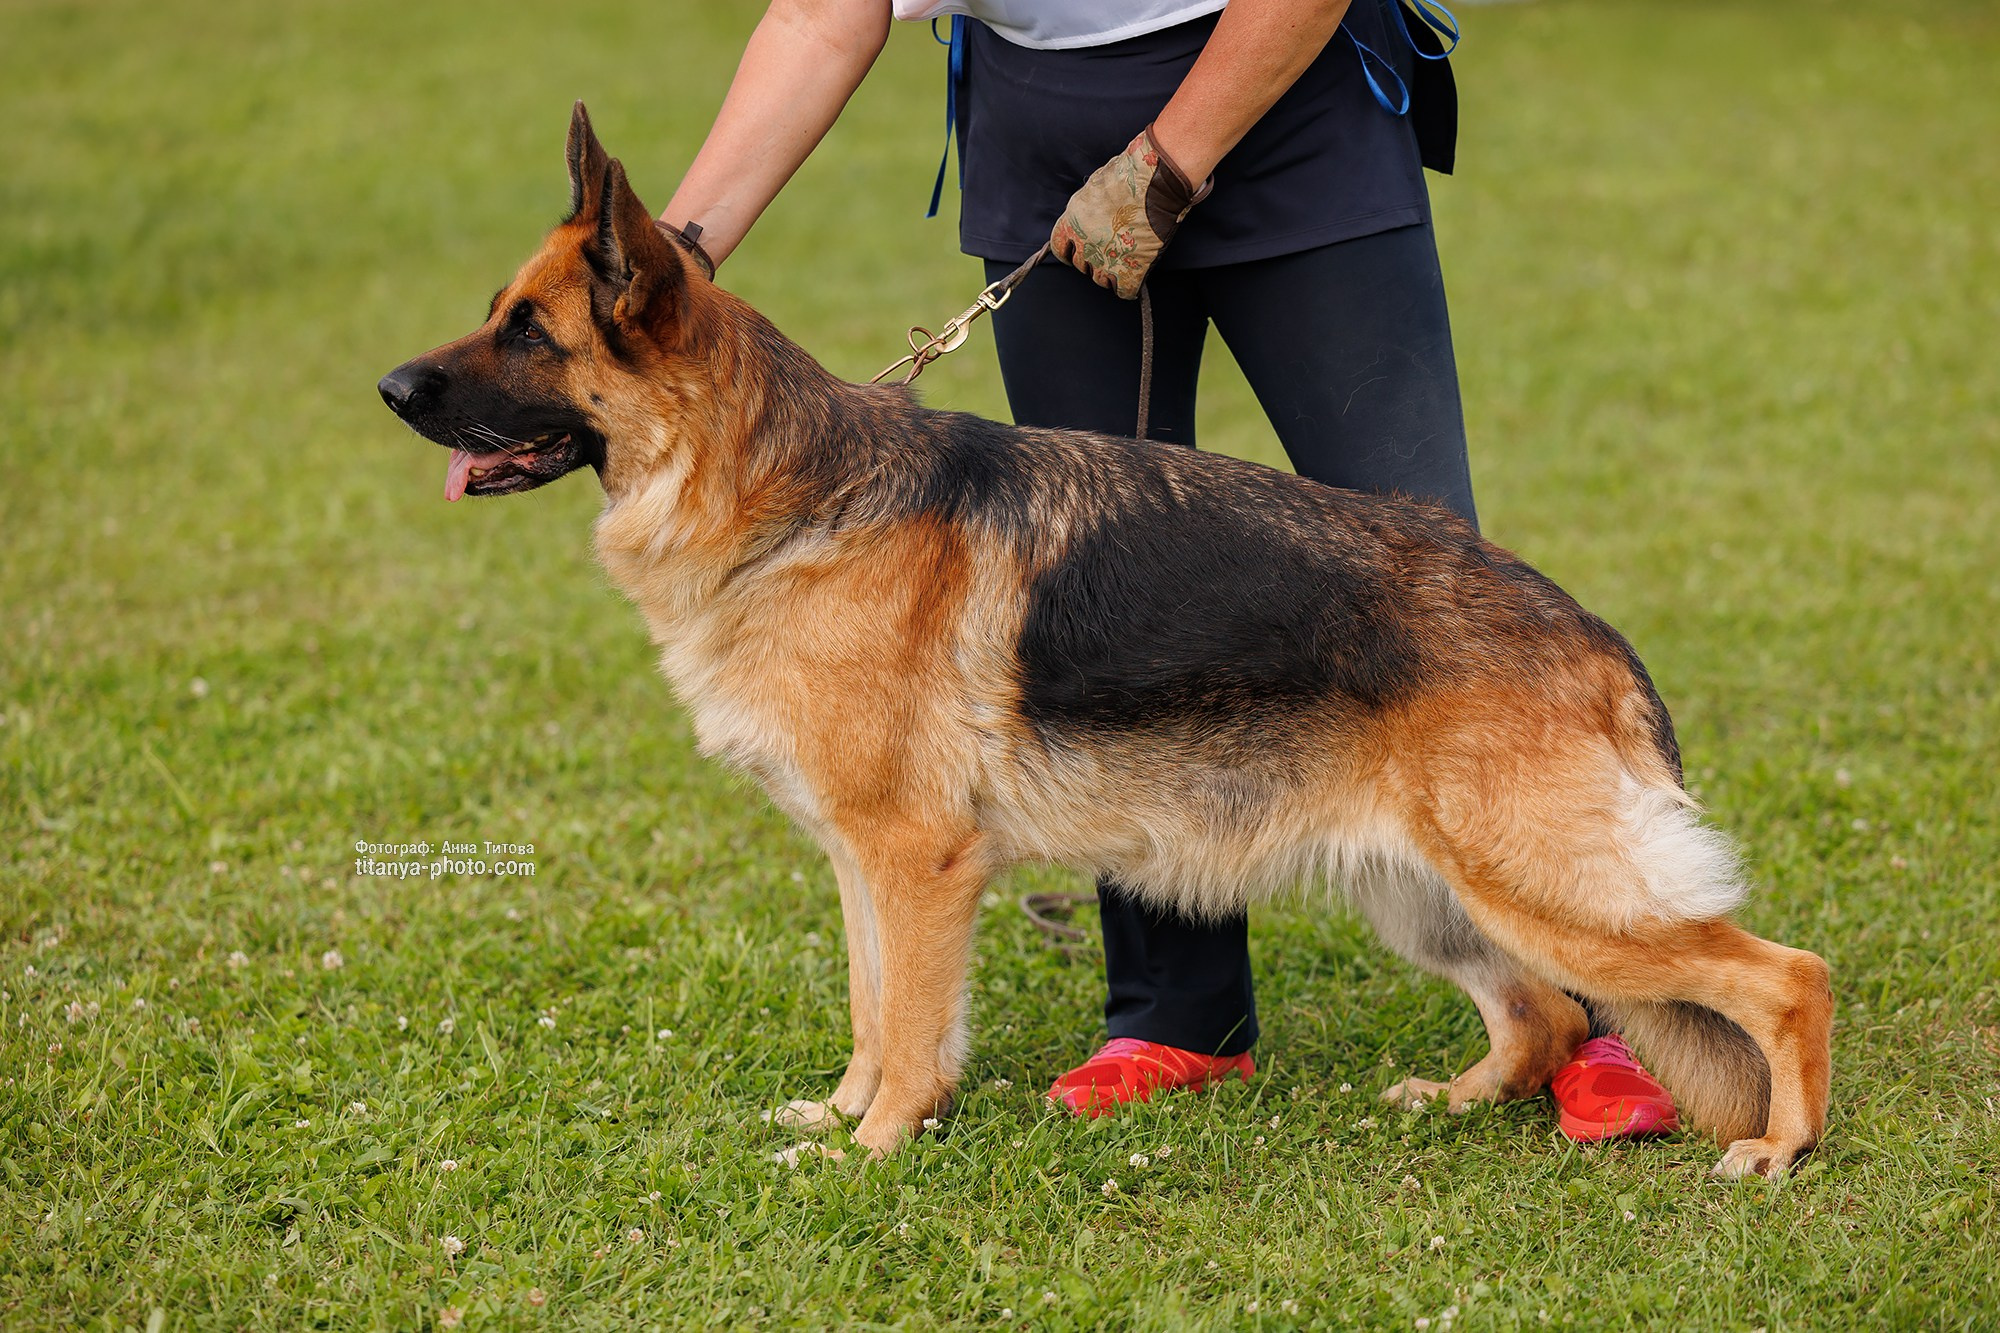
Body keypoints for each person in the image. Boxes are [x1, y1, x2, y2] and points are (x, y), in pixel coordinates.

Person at [658, 0, 1678, 1142]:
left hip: (1293, 109)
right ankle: (1177, 1016)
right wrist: (666, 263)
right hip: (1043, 143)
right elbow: (816, 13)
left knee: (1427, 582)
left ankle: (1596, 1014)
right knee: (1095, 624)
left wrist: (1168, 160)